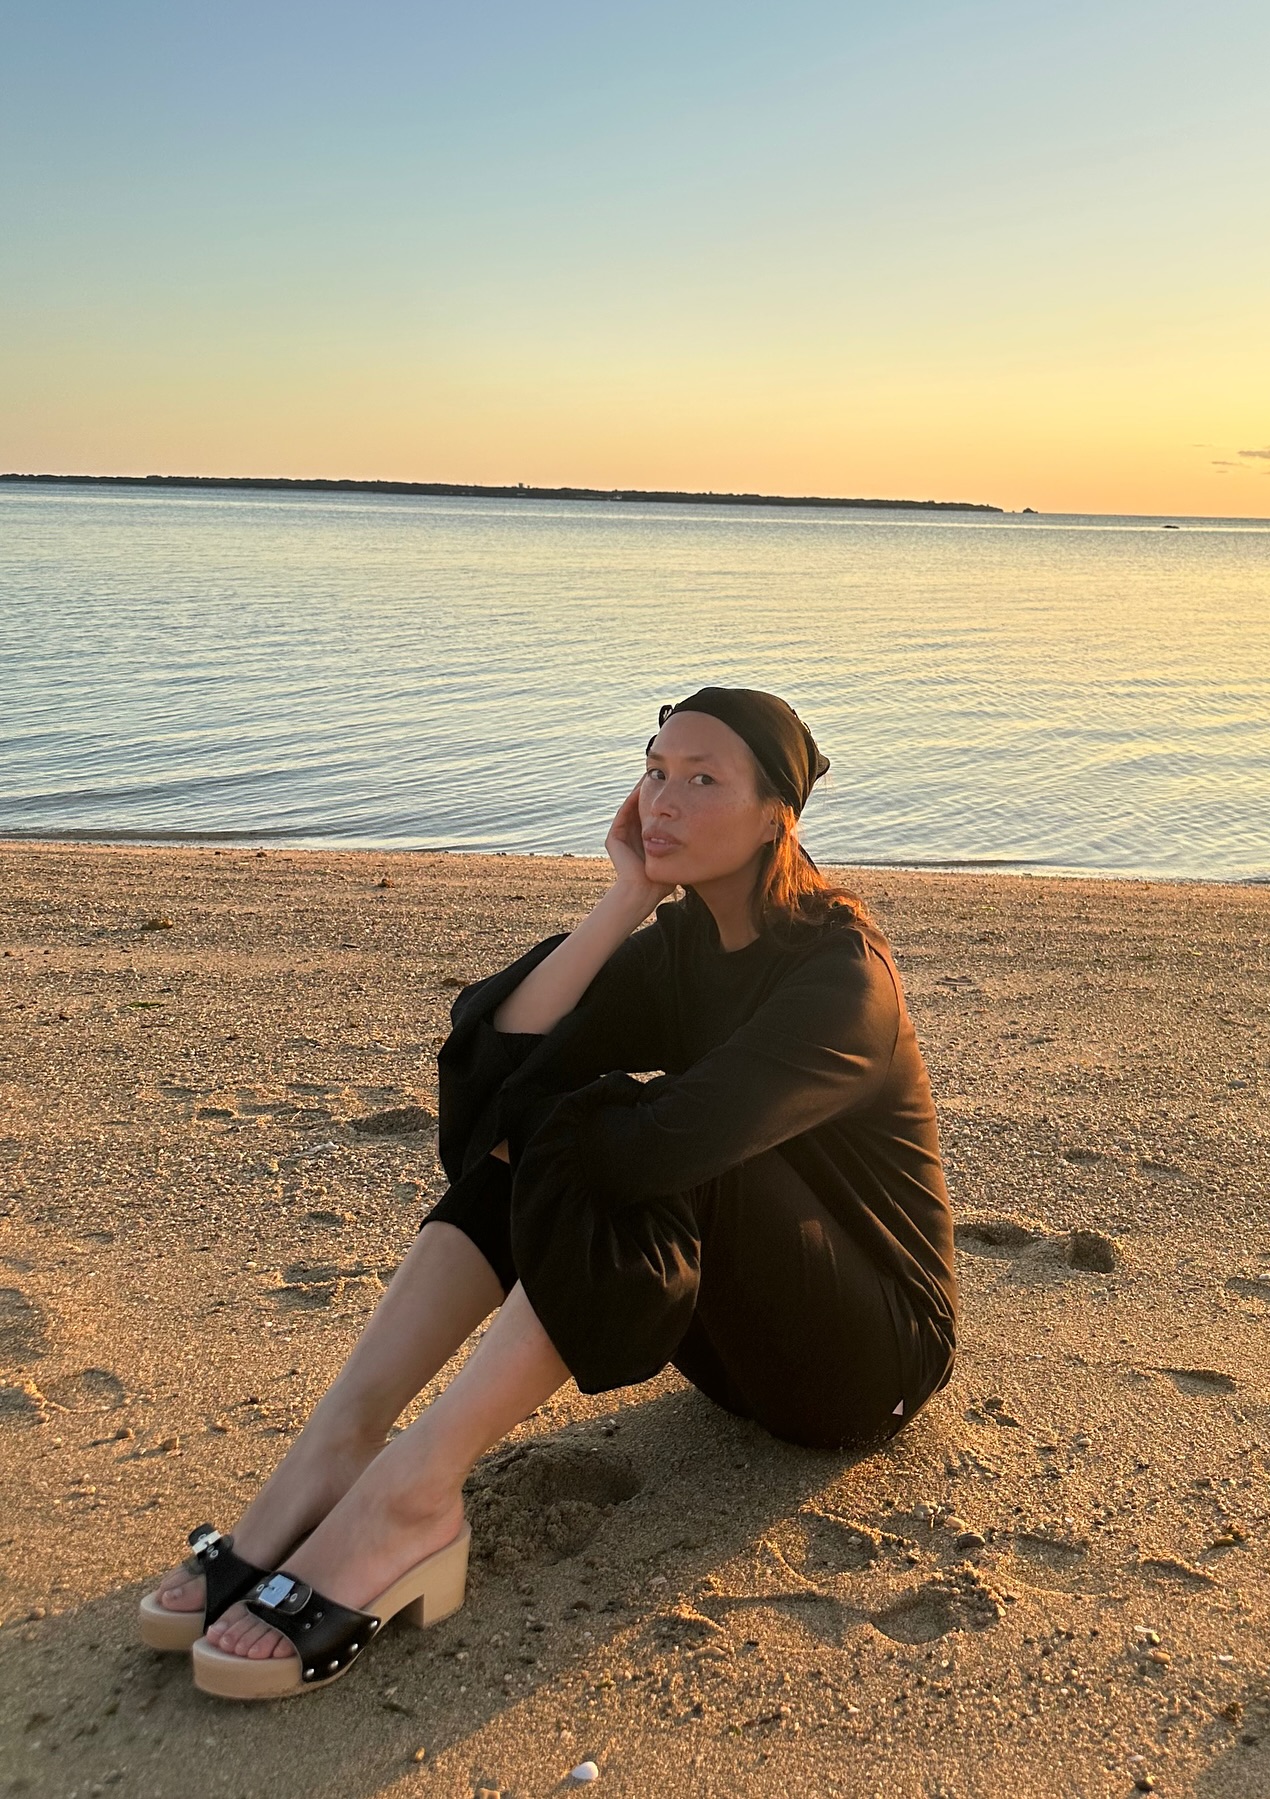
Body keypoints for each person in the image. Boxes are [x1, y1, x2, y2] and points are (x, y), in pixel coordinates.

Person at [140, 685, 959, 1700]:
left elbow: (665, 1145)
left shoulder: (842, 973)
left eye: (704, 779)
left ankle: (413, 1490)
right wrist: (623, 898)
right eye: (656, 771)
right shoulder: (677, 951)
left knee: (638, 1141)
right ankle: (340, 1444)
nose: (664, 798)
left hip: (864, 1363)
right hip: (729, 1356)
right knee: (549, 1127)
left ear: (777, 815)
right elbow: (495, 1086)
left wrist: (563, 1128)